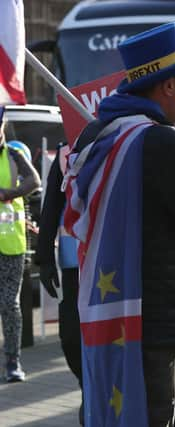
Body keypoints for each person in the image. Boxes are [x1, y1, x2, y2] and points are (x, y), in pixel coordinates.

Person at [65, 23, 175, 425]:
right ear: (167, 85)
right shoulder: (162, 141)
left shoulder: (98, 137)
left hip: (111, 307)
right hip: (156, 317)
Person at [36, 142, 84, 424]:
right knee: (72, 338)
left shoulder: (131, 135)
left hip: (119, 266)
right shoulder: (67, 152)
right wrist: (44, 256)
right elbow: (52, 204)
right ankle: (88, 389)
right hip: (74, 265)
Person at [0, 109, 41, 382]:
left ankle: (13, 361)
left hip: (10, 242)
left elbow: (34, 180)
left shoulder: (13, 156)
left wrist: (8, 193)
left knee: (9, 304)